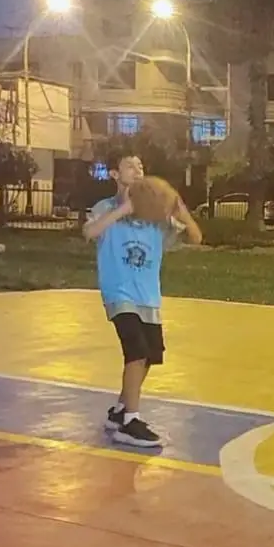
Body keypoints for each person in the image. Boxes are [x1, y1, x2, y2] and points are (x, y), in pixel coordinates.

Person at [83, 155, 202, 448]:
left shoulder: (155, 216)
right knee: (136, 351)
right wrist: (125, 209)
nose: (137, 170)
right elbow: (90, 232)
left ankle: (120, 410)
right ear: (115, 174)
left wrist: (181, 211)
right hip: (119, 293)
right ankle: (130, 422)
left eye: (141, 166)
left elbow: (196, 237)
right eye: (129, 166)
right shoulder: (106, 208)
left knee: (149, 356)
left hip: (148, 296)